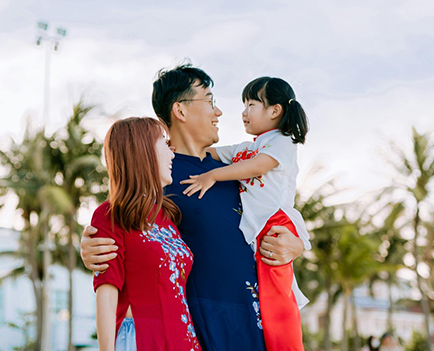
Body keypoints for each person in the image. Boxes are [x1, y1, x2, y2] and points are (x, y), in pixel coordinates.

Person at [80, 64, 306, 351]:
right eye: (210, 101)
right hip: (199, 326)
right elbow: (121, 224)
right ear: (181, 110)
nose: (219, 112)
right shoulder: (159, 176)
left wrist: (295, 245)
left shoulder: (233, 171)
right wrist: (90, 246)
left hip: (255, 321)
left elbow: (273, 211)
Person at [180, 76, 311, 350]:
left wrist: (213, 176)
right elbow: (213, 152)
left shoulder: (282, 142)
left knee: (277, 299)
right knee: (269, 294)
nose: (243, 112)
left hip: (274, 222)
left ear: (274, 111)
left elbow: (258, 166)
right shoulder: (249, 147)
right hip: (258, 226)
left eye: (251, 104)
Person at [92, 117, 200, 351]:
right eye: (164, 143)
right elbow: (107, 295)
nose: (172, 154)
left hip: (183, 341)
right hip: (140, 340)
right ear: (141, 150)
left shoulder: (167, 218)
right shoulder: (110, 215)